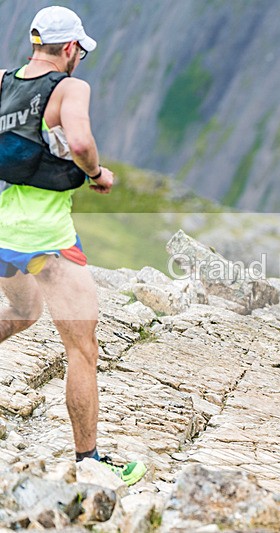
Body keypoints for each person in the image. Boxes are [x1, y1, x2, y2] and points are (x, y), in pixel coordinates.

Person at [0, 6, 146, 485]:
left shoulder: (4, 80)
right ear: (69, 48)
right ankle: (89, 462)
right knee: (82, 349)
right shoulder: (69, 87)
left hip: (3, 233)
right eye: (80, 50)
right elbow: (80, 142)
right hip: (49, 241)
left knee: (22, 315)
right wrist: (97, 174)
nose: (80, 58)